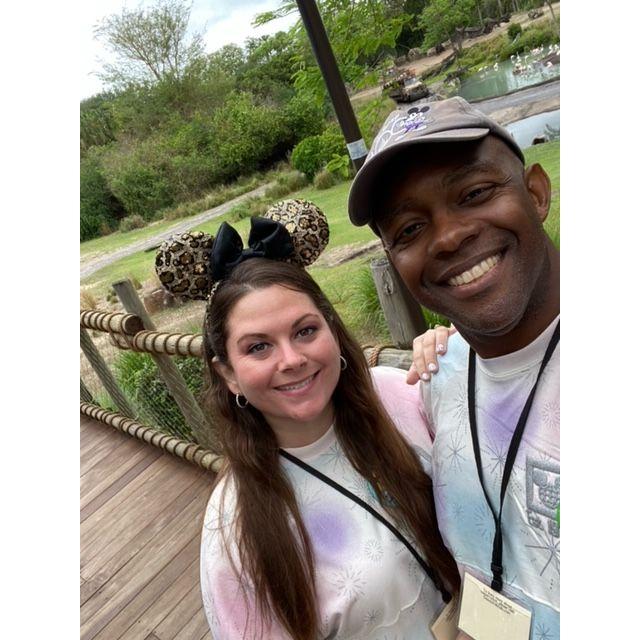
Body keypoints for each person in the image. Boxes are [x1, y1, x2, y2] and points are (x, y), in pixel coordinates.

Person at [155, 201, 460, 640]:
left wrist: (458, 354)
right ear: (228, 375)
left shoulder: (403, 394)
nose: (292, 360)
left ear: (332, 329)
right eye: (258, 347)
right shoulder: (236, 525)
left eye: (304, 331)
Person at [348, 96, 560, 637]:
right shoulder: (438, 376)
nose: (447, 237)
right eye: (409, 231)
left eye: (474, 193)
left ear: (536, 192)